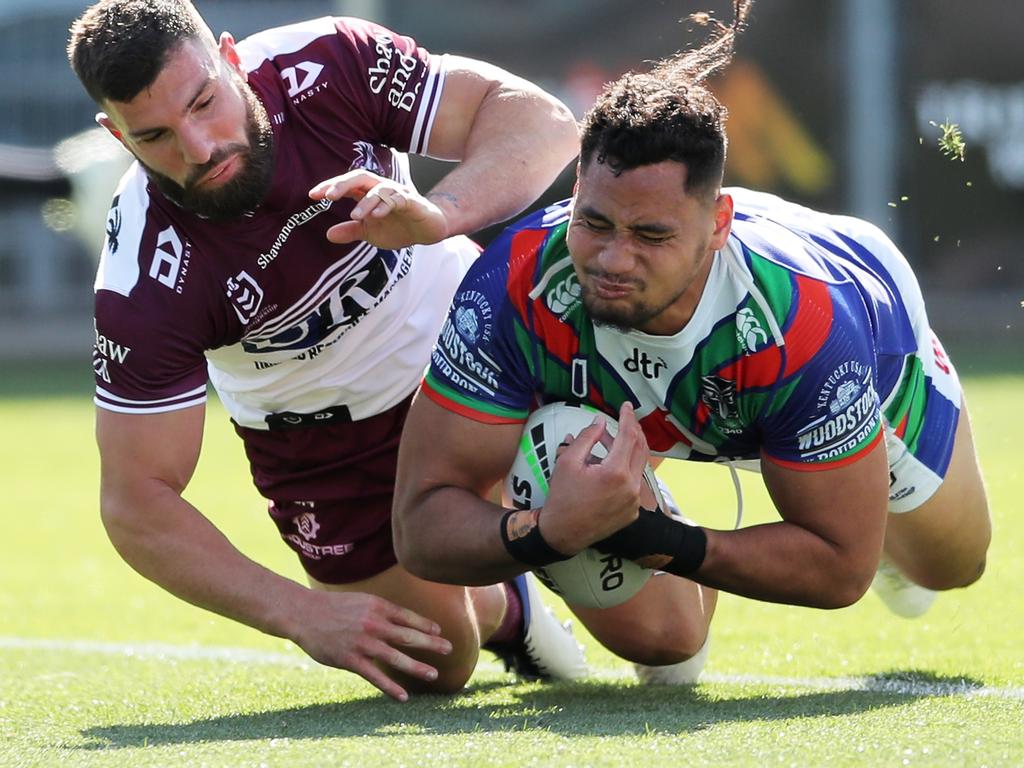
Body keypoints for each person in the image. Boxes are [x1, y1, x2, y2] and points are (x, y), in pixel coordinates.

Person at [392, 0, 991, 683]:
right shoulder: (513, 283)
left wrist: (666, 542)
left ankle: (852, 474)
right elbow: (420, 527)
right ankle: (669, 590)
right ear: (577, 190)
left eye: (651, 236)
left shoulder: (806, 323)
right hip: (642, 402)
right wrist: (549, 532)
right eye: (595, 224)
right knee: (658, 638)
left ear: (717, 224)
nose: (615, 259)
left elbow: (839, 570)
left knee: (950, 567)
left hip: (865, 357)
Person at [68, 0, 586, 702]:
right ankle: (507, 604)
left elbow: (541, 122)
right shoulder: (143, 280)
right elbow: (134, 504)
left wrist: (441, 214)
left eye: (204, 102)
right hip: (328, 442)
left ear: (229, 55)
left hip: (469, 342)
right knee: (429, 663)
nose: (197, 148)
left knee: (666, 636)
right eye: (155, 135)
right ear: (115, 134)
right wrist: (298, 612)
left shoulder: (325, 63)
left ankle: (521, 514)